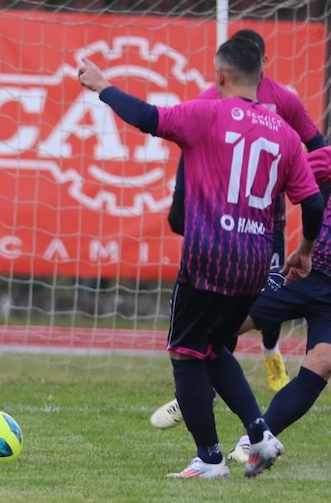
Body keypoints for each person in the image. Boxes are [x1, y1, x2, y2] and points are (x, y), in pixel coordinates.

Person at [78, 37, 323, 479]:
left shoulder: (207, 112)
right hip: (256, 261)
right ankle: (260, 434)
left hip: (210, 254)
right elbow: (313, 203)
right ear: (261, 77)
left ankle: (210, 458)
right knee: (212, 347)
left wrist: (103, 86)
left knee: (185, 352)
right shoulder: (284, 134)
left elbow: (147, 117)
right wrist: (303, 251)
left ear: (219, 76)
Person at [150, 29, 327, 428]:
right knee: (227, 324)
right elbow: (189, 150)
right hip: (239, 228)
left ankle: (263, 368)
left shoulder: (285, 102)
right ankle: (204, 387)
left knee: (283, 326)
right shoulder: (212, 101)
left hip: (270, 229)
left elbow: (313, 148)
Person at [223, 144, 331, 470]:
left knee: (323, 362)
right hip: (305, 272)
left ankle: (256, 438)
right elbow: (289, 172)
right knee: (224, 326)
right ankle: (190, 392)